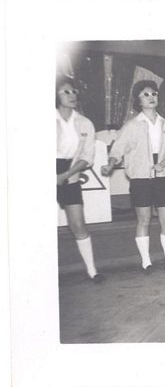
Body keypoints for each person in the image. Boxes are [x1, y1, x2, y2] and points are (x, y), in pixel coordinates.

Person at [101, 80, 165, 273]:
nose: (151, 97)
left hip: (162, 177)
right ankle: (146, 263)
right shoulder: (132, 126)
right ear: (138, 100)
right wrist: (110, 164)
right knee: (143, 220)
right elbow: (118, 149)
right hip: (140, 179)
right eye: (146, 94)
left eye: (154, 94)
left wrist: (162, 163)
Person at [56, 76, 104, 283]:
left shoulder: (85, 123)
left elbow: (87, 157)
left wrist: (65, 175)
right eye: (66, 91)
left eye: (74, 91)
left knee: (78, 224)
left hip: (71, 173)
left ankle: (92, 271)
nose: (72, 95)